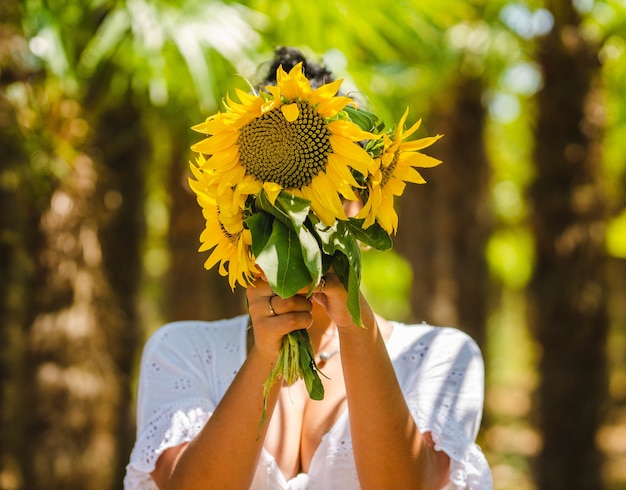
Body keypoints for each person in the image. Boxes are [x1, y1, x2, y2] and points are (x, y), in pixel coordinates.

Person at [124, 48, 493, 490]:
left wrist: (355, 322)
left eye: (331, 190)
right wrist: (264, 354)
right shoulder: (181, 350)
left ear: (367, 206)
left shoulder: (441, 355)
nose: (303, 213)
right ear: (241, 208)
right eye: (276, 196)